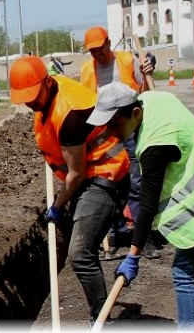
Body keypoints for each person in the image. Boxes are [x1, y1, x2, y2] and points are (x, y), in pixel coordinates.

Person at [97, 87, 194, 329]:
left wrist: (133, 256)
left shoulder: (153, 146)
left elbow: (146, 205)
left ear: (135, 113)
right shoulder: (152, 98)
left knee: (183, 271)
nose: (112, 133)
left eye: (115, 125)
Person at [9, 56, 132, 320]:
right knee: (83, 248)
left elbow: (76, 175)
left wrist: (56, 206)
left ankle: (101, 319)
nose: (30, 102)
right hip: (89, 176)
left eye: (32, 95)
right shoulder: (53, 93)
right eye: (25, 97)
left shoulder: (69, 115)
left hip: (103, 175)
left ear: (47, 82)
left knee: (79, 254)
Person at [77, 26, 157, 256]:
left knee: (136, 181)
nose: (96, 54)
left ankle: (143, 237)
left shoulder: (126, 60)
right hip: (104, 133)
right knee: (107, 181)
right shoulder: (87, 70)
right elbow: (85, 101)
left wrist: (149, 67)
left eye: (99, 49)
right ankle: (113, 234)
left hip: (129, 127)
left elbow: (144, 85)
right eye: (92, 51)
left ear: (108, 43)